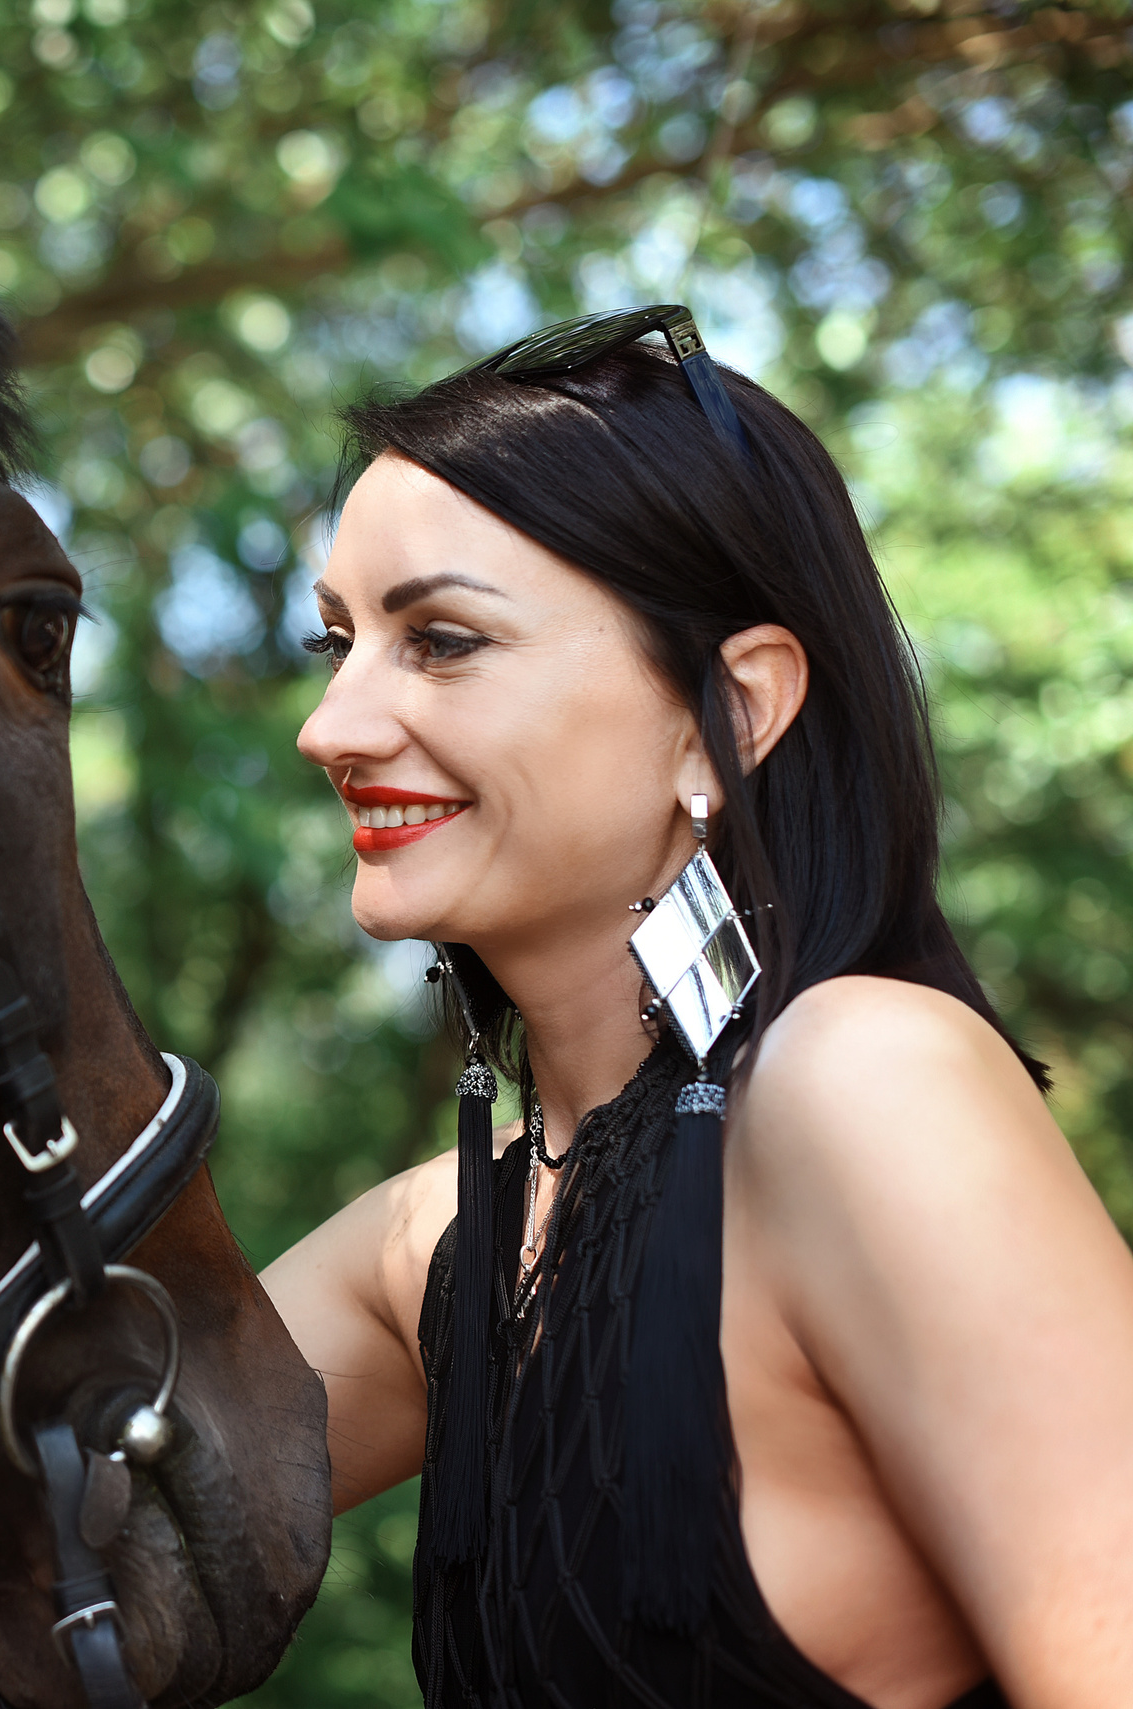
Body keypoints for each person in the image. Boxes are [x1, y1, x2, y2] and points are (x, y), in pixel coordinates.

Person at [259, 307, 1133, 1709]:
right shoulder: (440, 1238)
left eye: (441, 640)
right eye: (337, 643)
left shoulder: (865, 1087)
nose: (333, 725)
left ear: (727, 709)